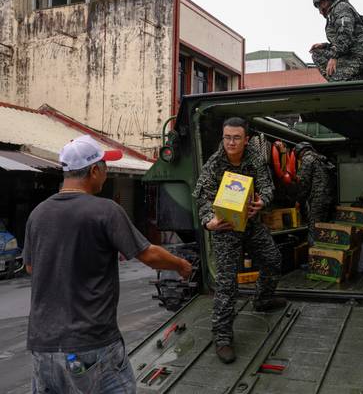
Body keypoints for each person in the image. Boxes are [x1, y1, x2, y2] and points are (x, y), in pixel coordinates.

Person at [23, 135, 193, 394]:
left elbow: (31, 268)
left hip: (43, 348)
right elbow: (148, 255)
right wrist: (181, 264)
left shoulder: (38, 214)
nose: (107, 173)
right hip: (90, 345)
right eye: (105, 167)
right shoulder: (105, 210)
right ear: (93, 171)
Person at [193, 117, 285, 364]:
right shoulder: (214, 164)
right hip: (225, 228)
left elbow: (267, 186)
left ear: (246, 139)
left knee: (273, 259)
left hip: (251, 224)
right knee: (226, 283)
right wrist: (208, 221)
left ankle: (262, 300)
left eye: (236, 138)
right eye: (227, 137)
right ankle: (222, 338)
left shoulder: (254, 156)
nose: (231, 142)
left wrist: (262, 202)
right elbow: (202, 198)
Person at [310, 0, 363, 81]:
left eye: (319, 6)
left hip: (359, 56)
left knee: (335, 78)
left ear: (325, 1)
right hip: (350, 54)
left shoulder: (341, 8)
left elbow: (345, 33)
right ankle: (353, 77)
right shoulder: (335, 12)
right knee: (317, 52)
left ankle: (354, 78)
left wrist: (334, 56)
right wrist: (325, 46)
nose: (320, 12)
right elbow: (344, 40)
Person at [294, 142, 335, 244]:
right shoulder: (321, 159)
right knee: (325, 229)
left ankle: (315, 256)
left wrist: (299, 200)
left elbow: (303, 183)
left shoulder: (307, 159)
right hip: (329, 199)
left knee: (314, 230)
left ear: (300, 153)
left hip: (317, 201)